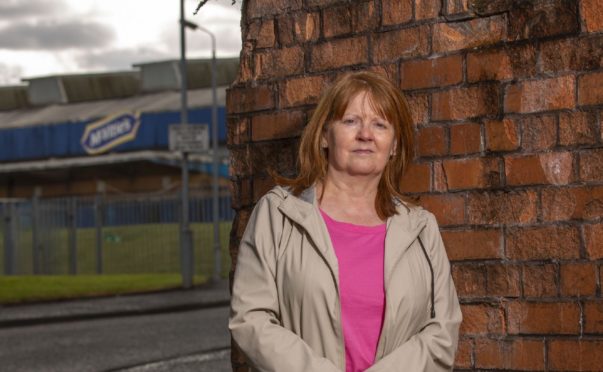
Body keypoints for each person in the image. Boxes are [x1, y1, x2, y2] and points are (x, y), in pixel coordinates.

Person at [229, 71, 462, 372]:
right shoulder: (278, 214)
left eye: (380, 124)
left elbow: (443, 333)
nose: (366, 134)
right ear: (325, 135)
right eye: (351, 121)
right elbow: (251, 319)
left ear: (393, 145)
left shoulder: (421, 228)